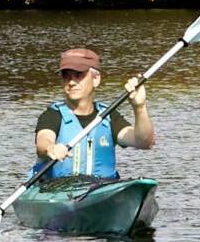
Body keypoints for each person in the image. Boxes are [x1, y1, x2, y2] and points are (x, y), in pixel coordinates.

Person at [35, 47, 153, 179]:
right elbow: (42, 142)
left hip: (101, 189)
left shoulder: (109, 116)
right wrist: (51, 148)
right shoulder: (52, 115)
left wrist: (140, 107)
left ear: (96, 79)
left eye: (78, 75)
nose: (71, 82)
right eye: (66, 76)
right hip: (59, 190)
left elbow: (143, 142)